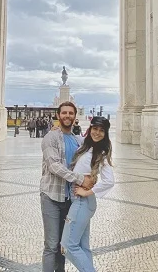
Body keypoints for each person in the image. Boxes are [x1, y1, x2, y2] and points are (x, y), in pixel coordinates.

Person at [40, 101, 94, 272]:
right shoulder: (51, 137)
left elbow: (96, 148)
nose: (67, 116)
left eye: (71, 113)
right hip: (52, 196)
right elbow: (54, 166)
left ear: (75, 116)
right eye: (64, 113)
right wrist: (80, 179)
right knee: (51, 244)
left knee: (64, 243)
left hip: (70, 199)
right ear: (58, 115)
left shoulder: (78, 140)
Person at [60, 117, 114, 272]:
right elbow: (71, 135)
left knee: (68, 246)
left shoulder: (101, 152)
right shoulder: (85, 145)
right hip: (83, 202)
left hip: (82, 201)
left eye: (101, 130)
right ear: (89, 129)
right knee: (83, 247)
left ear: (106, 133)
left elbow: (109, 181)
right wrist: (56, 129)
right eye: (95, 129)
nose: (97, 133)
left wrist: (87, 191)